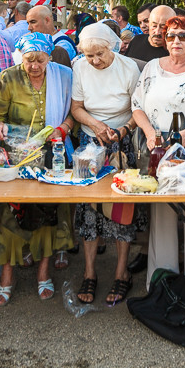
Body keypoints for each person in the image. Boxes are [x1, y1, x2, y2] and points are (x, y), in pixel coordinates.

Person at [131, 16, 185, 288]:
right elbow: (137, 105)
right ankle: (162, 283)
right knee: (162, 213)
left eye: (183, 36)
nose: (176, 41)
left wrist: (184, 135)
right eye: (171, 36)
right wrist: (149, 134)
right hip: (157, 150)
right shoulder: (151, 68)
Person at [0, 32, 75, 305]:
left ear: (49, 57)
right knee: (10, 214)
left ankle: (43, 273)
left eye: (40, 60)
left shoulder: (63, 76)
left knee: (48, 213)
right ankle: (6, 277)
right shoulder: (8, 78)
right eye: (29, 60)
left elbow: (74, 112)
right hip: (17, 155)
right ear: (19, 57)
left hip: (51, 154)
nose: (35, 66)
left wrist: (63, 128)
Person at [69, 23, 143, 306]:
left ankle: (121, 272)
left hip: (122, 140)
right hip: (91, 141)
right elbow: (77, 108)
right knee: (88, 207)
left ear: (112, 47)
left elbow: (139, 108)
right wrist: (96, 125)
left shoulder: (128, 68)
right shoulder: (80, 67)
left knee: (121, 208)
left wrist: (122, 131)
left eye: (99, 54)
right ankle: (89, 273)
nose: (95, 61)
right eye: (89, 56)